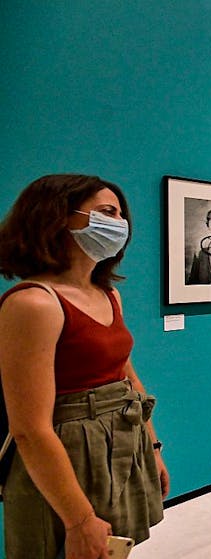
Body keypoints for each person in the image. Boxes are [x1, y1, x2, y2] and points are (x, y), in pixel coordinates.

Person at [0, 174, 167, 558]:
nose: (119, 224)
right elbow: (29, 428)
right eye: (106, 212)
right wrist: (78, 519)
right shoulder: (34, 304)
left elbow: (127, 376)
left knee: (112, 549)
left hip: (120, 440)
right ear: (57, 216)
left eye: (121, 215)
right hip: (69, 452)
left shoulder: (109, 295)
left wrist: (153, 447)